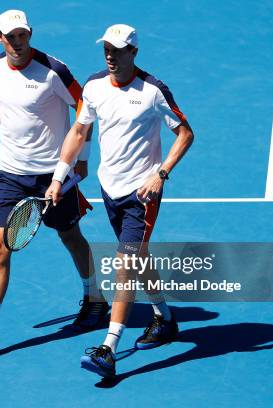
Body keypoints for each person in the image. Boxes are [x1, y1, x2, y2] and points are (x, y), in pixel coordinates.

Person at [0, 10, 109, 355]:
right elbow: (2, 104)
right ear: (0, 39)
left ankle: (95, 298)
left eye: (23, 35)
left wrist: (79, 161)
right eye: (11, 37)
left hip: (53, 173)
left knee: (69, 235)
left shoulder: (54, 71)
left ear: (30, 34)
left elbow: (86, 106)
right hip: (9, 173)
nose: (18, 42)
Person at [47, 24, 194, 377]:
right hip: (109, 189)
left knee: (125, 264)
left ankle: (108, 348)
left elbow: (186, 133)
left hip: (141, 195)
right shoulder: (95, 86)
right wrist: (58, 176)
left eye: (118, 50)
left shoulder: (153, 91)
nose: (111, 56)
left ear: (134, 52)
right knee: (138, 259)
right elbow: (79, 131)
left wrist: (160, 174)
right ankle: (166, 319)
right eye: (107, 50)